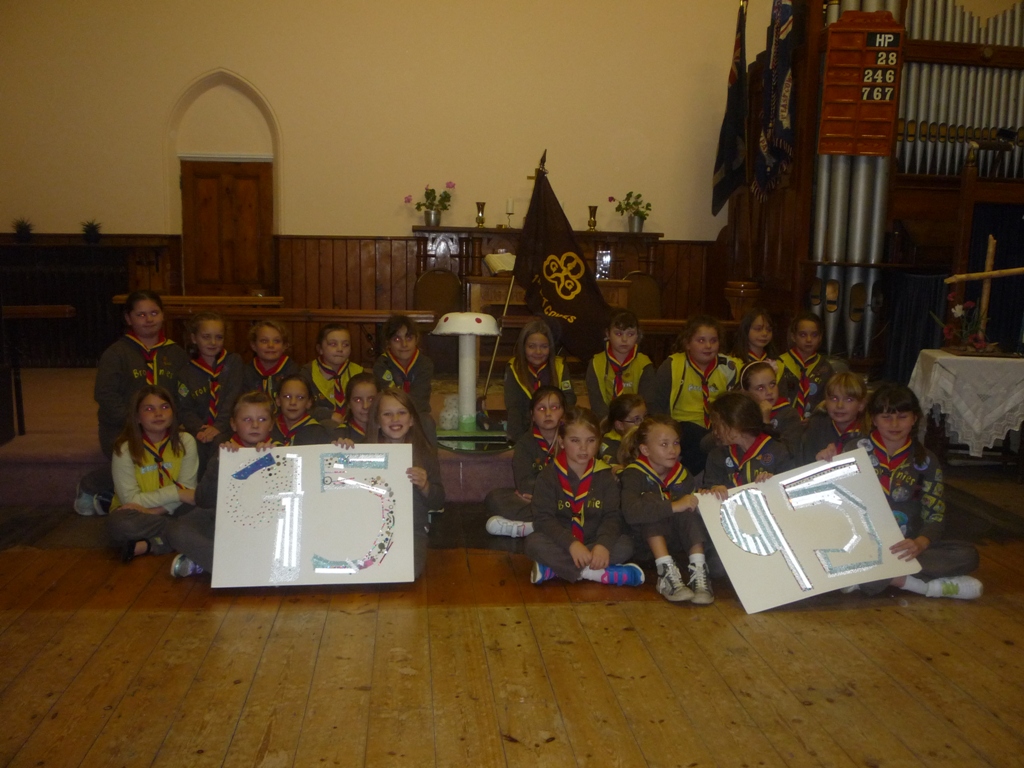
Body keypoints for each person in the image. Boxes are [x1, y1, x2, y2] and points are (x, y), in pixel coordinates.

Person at [841, 383, 982, 600]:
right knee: (831, 553)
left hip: (905, 546)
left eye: (903, 417)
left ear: (915, 418)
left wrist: (920, 543)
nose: (894, 424)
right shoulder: (853, 450)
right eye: (886, 417)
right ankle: (919, 585)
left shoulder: (926, 460)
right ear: (874, 419)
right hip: (861, 543)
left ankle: (864, 579)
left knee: (967, 555)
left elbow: (935, 515)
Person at [78, 290, 189, 515]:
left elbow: (183, 394)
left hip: (164, 426)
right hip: (122, 428)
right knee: (137, 455)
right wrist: (136, 425)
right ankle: (92, 484)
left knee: (185, 450)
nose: (148, 319)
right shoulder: (116, 353)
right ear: (128, 318)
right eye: (141, 315)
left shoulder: (176, 353)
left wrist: (174, 422)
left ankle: (130, 501)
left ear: (163, 315)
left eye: (154, 313)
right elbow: (106, 395)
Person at [524, 407, 644, 586]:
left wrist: (603, 545)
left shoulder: (605, 475)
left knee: (626, 544)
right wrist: (572, 544)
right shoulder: (549, 476)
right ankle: (596, 573)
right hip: (563, 543)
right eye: (575, 440)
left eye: (591, 440)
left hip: (595, 541)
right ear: (562, 441)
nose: (583, 448)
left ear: (598, 441)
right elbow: (543, 519)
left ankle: (556, 569)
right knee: (533, 543)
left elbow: (612, 516)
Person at [166, 391, 275, 578]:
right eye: (247, 419)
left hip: (262, 525)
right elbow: (203, 500)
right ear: (233, 424)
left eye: (262, 419)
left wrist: (271, 460)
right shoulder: (224, 451)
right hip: (223, 520)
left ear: (272, 424)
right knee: (177, 530)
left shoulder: (279, 451)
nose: (255, 425)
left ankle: (207, 562)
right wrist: (220, 463)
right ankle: (232, 565)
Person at [619, 415, 713, 604]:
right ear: (645, 449)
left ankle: (699, 570)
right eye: (664, 444)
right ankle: (665, 573)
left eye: (676, 443)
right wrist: (673, 506)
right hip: (642, 544)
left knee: (689, 505)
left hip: (677, 544)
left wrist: (700, 499)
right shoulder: (633, 474)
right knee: (651, 502)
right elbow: (630, 513)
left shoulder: (682, 474)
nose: (672, 450)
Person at [107, 385, 197, 563]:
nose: (158, 414)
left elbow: (189, 489)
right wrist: (177, 493)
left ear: (173, 412)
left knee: (204, 510)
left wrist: (157, 510)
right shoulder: (124, 449)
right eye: (149, 409)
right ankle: (183, 534)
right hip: (136, 515)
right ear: (137, 417)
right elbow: (131, 500)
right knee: (120, 523)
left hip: (174, 509)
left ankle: (150, 544)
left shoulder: (186, 441)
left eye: (164, 407)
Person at [364, 388, 444, 579]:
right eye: (387, 414)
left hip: (412, 529)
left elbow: (439, 501)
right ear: (377, 421)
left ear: (412, 419)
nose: (395, 419)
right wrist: (342, 450)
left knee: (408, 571)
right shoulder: (364, 453)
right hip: (370, 527)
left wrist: (425, 486)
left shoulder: (424, 454)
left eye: (401, 412)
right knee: (365, 570)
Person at [651, 314, 739, 475]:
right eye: (701, 340)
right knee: (692, 432)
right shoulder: (672, 365)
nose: (708, 346)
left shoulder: (730, 367)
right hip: (681, 428)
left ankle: (686, 477)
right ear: (687, 344)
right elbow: (656, 406)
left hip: (717, 429)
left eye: (713, 341)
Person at [484, 386, 566, 539]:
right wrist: (543, 496)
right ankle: (555, 524)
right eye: (541, 409)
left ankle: (532, 527)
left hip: (565, 499)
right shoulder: (525, 443)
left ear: (563, 413)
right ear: (532, 416)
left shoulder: (571, 439)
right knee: (495, 499)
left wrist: (550, 496)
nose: (548, 413)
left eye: (554, 408)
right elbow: (524, 483)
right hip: (540, 501)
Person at [176, 311, 243, 472]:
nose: (213, 342)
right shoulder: (186, 371)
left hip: (228, 427)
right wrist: (200, 428)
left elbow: (233, 398)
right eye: (206, 337)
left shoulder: (234, 362)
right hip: (199, 431)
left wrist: (218, 427)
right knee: (192, 447)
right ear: (194, 338)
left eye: (219, 337)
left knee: (220, 443)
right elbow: (185, 408)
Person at [704, 391, 795, 498]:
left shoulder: (778, 451)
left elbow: (791, 490)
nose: (715, 432)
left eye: (717, 425)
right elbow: (707, 489)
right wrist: (714, 490)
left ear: (736, 423)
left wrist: (773, 483)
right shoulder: (717, 455)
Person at [503, 319, 576, 441]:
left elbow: (569, 400)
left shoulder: (559, 366)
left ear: (550, 347)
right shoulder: (514, 367)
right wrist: (518, 441)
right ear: (523, 347)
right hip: (526, 430)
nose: (538, 352)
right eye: (532, 346)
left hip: (557, 430)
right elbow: (514, 407)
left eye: (544, 347)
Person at [585, 309, 655, 421]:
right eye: (618, 333)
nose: (624, 339)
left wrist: (629, 422)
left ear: (638, 335)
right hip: (605, 420)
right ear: (608, 334)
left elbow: (647, 401)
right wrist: (610, 422)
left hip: (635, 421)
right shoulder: (595, 363)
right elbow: (597, 403)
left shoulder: (644, 364)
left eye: (630, 334)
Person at [373, 315, 434, 419]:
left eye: (409, 338)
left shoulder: (425, 364)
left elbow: (420, 399)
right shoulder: (381, 365)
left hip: (417, 413)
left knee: (428, 423)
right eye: (397, 339)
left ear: (417, 339)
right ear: (388, 342)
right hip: (390, 414)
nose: (404, 344)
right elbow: (387, 398)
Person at [800, 371, 868, 464]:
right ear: (825, 401)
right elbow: (803, 463)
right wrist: (817, 462)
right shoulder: (816, 426)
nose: (840, 405)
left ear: (861, 405)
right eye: (834, 399)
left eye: (849, 400)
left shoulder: (868, 432)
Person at [301, 323, 363, 425]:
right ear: (320, 349)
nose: (340, 349)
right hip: (318, 427)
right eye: (333, 344)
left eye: (345, 345)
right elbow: (300, 406)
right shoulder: (307, 373)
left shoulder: (359, 373)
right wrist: (328, 415)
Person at [777, 312, 835, 420]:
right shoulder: (779, 364)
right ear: (793, 336)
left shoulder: (825, 368)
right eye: (803, 335)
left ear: (820, 337)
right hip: (783, 422)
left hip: (814, 423)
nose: (809, 340)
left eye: (814, 335)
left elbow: (831, 399)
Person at [738, 361, 804, 455]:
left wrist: (766, 423)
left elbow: (788, 453)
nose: (769, 392)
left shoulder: (789, 414)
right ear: (745, 393)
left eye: (772, 384)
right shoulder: (739, 417)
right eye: (760, 388)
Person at [241, 319, 299, 398]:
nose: (271, 345)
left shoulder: (293, 371)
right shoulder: (246, 372)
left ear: (285, 346)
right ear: (254, 345)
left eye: (276, 341)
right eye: (264, 341)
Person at [270, 375, 332, 446]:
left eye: (300, 397)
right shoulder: (268, 429)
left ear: (309, 402)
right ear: (278, 400)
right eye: (287, 397)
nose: (293, 402)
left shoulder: (318, 433)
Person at [599, 393, 647, 468]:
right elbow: (615, 471)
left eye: (645, 416)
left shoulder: (645, 436)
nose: (644, 423)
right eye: (637, 419)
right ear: (620, 425)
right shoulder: (609, 446)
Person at [332, 372, 379, 445]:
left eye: (371, 399)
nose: (365, 406)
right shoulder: (340, 434)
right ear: (349, 403)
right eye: (358, 400)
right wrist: (338, 448)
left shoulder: (388, 431)